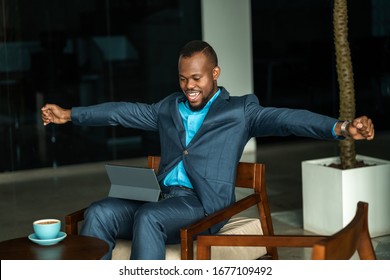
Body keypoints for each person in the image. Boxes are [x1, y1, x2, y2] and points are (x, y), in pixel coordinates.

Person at [41, 40, 374, 260]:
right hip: (160, 196)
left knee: (148, 218)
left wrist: (342, 127)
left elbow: (287, 119)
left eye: (197, 78)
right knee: (99, 210)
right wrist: (69, 115)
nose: (189, 87)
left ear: (215, 73)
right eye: (184, 79)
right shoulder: (168, 107)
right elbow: (121, 112)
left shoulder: (240, 111)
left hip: (202, 207)